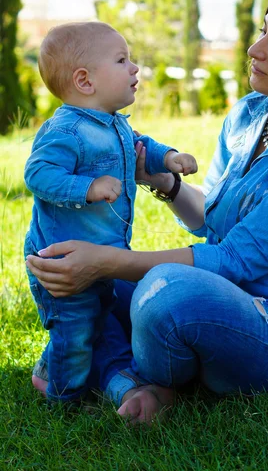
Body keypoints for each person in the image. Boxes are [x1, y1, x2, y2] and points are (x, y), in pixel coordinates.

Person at [27, 0, 268, 424]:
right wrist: (167, 184)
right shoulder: (252, 112)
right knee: (95, 289)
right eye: (262, 32)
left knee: (162, 295)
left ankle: (142, 376)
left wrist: (106, 260)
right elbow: (215, 221)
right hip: (225, 291)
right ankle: (118, 366)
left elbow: (232, 259)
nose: (255, 50)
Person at [24, 21, 197, 402]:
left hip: (103, 253)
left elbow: (141, 145)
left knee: (100, 318)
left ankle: (54, 369)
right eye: (122, 60)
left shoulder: (114, 124)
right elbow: (38, 174)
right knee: (77, 331)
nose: (134, 68)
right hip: (62, 261)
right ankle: (64, 398)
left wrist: (168, 157)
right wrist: (88, 188)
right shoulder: (66, 130)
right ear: (85, 82)